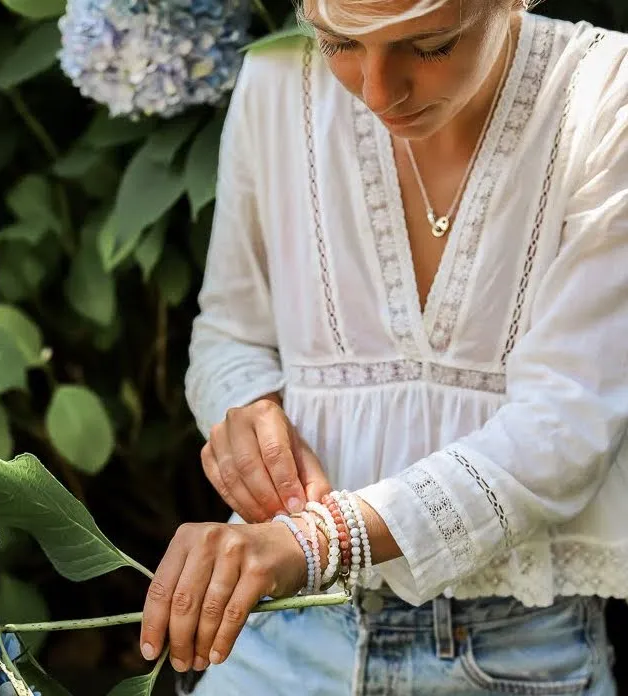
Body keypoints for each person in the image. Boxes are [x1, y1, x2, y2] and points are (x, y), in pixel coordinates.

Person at [139, 0, 628, 693]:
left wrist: (317, 541)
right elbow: (231, 333)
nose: (376, 91)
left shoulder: (609, 93)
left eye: (427, 47)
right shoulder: (277, 80)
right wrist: (244, 411)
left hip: (514, 650)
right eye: (340, 42)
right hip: (276, 636)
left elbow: (567, 425)